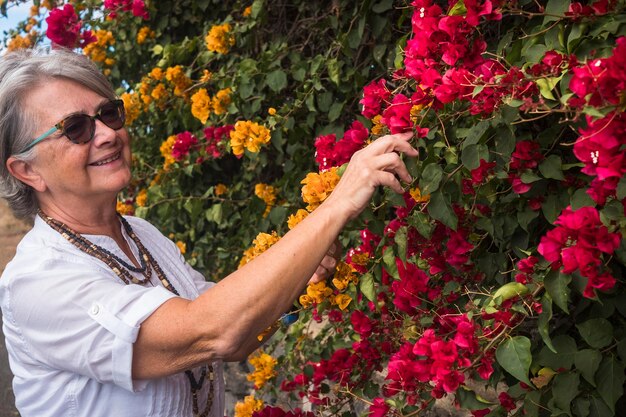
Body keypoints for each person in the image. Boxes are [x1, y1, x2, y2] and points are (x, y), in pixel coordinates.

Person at [0, 47, 417, 417]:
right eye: (75, 128)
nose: (108, 134)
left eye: (109, 114)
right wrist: (340, 201)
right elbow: (213, 330)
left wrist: (296, 286)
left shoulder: (141, 233)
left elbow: (235, 339)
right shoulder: (38, 283)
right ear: (27, 170)